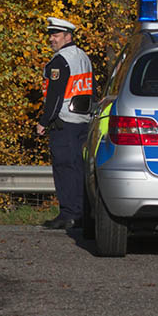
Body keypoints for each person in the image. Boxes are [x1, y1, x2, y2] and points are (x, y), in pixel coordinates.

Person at [36, 17, 94, 230]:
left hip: (64, 122)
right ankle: (80, 213)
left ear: (67, 36)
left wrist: (44, 121)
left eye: (56, 35)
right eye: (51, 35)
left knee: (64, 169)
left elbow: (55, 96)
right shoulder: (83, 57)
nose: (51, 39)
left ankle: (69, 214)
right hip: (82, 121)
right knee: (78, 169)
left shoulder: (60, 61)